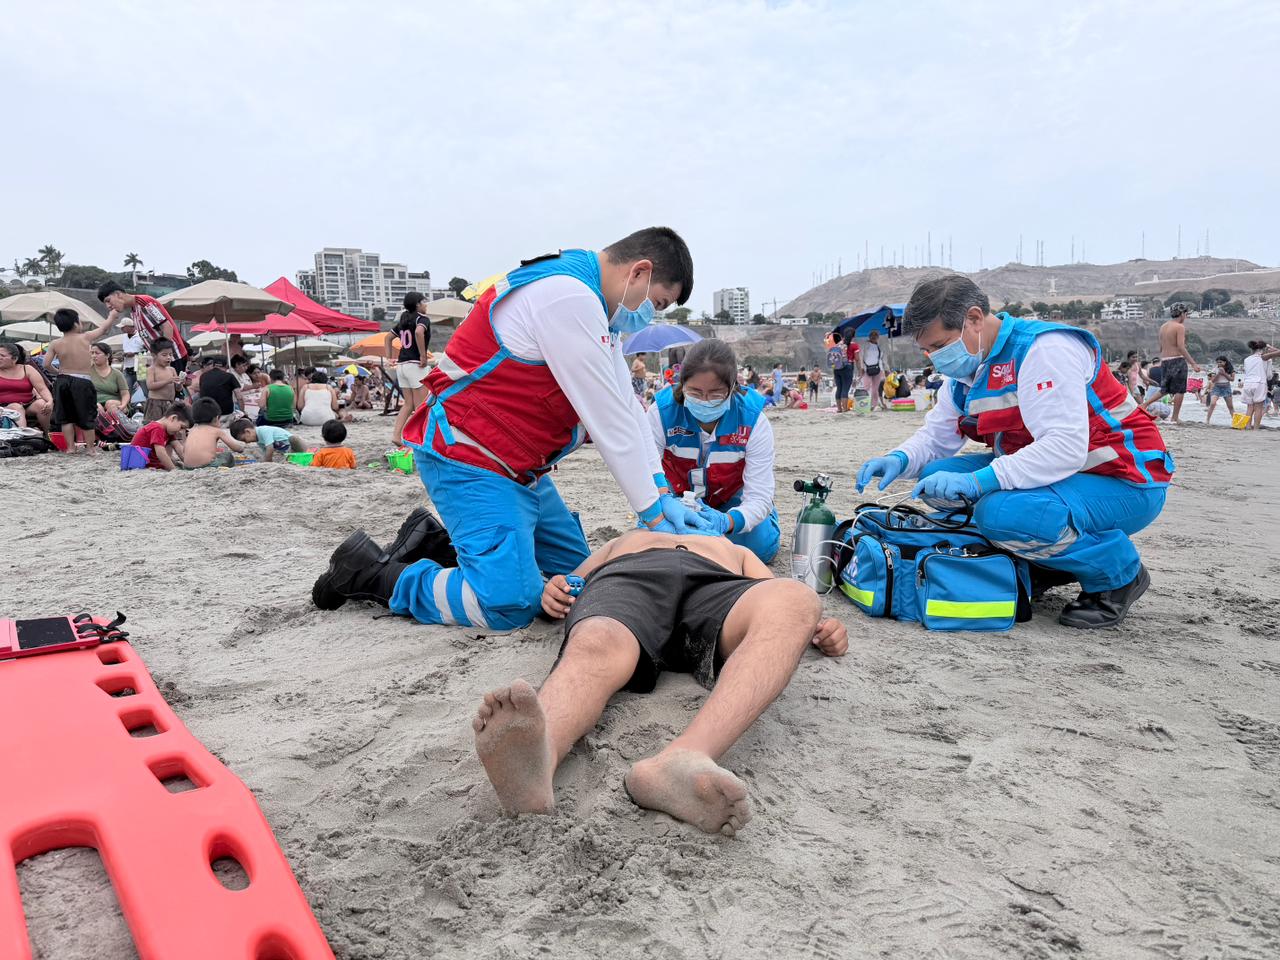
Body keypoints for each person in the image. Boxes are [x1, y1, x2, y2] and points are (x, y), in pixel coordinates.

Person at [313, 228, 714, 630]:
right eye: (656, 303)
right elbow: (609, 423)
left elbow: (628, 408)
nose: (650, 314)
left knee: (582, 579)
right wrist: (654, 520)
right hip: (469, 460)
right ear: (639, 272)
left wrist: (662, 493)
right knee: (510, 605)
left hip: (522, 473)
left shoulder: (595, 307)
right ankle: (374, 573)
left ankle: (443, 546)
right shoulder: (567, 296)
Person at [470, 528, 848, 834]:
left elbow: (771, 595)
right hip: (631, 576)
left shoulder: (730, 547)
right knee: (599, 638)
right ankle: (539, 755)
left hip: (715, 584)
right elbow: (571, 582)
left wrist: (818, 629)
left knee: (797, 598)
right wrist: (553, 594)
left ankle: (684, 759)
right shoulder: (627, 538)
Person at [855, 275, 1171, 629]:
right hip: (1062, 477)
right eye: (927, 350)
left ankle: (1118, 574)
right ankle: (1047, 560)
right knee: (934, 479)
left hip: (1122, 479)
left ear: (974, 319)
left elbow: (1064, 447)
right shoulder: (968, 373)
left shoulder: (1044, 350)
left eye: (940, 345)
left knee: (999, 512)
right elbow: (937, 437)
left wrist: (981, 482)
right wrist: (899, 460)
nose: (935, 358)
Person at [649, 339, 780, 563]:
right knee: (654, 540)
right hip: (675, 498)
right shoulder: (661, 412)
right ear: (682, 385)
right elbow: (645, 469)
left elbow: (759, 496)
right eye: (695, 392)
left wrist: (728, 521)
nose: (705, 401)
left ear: (732, 388)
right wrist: (664, 502)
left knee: (759, 547)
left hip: (730, 501)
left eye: (716, 393)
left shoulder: (753, 420)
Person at [45, 307, 120, 453]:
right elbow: (104, 329)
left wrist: (58, 372)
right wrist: (112, 316)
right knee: (87, 416)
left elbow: (46, 364)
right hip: (82, 381)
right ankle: (91, 449)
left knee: (66, 418)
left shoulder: (55, 343)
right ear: (75, 324)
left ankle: (71, 448)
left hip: (62, 380)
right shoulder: (85, 337)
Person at [97, 281, 190, 374]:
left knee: (172, 387)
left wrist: (164, 358)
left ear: (118, 294)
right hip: (160, 360)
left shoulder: (145, 302)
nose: (108, 306)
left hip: (174, 358)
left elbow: (167, 327)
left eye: (108, 301)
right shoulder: (133, 312)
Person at [387, 292, 435, 446]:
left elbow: (387, 337)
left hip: (401, 365)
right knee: (421, 406)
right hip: (415, 365)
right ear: (417, 305)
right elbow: (419, 332)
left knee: (408, 404)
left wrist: (389, 357)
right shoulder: (422, 319)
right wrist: (423, 356)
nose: (426, 305)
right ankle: (417, 439)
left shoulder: (404, 320)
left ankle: (396, 435)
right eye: (424, 302)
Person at [1145, 303, 1201, 424]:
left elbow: (1161, 347)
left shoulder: (1163, 327)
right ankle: (1175, 417)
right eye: (1186, 314)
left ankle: (1144, 405)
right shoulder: (1179, 327)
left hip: (1164, 361)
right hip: (1177, 360)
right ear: (1182, 314)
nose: (1185, 317)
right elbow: (1181, 347)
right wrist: (1193, 363)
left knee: (1164, 389)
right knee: (1180, 390)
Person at [0, 342, 53, 432]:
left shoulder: (27, 369)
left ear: (14, 359)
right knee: (16, 407)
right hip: (3, 407)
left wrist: (49, 401)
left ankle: (48, 433)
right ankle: (23, 438)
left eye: (2, 355)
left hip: (27, 404)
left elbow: (42, 389)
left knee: (42, 404)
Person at [182, 397, 245, 468]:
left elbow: (184, 450)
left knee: (217, 455)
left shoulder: (192, 431)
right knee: (227, 456)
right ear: (216, 418)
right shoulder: (217, 431)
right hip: (208, 466)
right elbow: (235, 448)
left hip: (188, 466)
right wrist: (241, 448)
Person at [128, 402, 191, 470]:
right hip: (141, 465)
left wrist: (189, 465)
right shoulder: (157, 428)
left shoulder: (169, 431)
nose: (181, 431)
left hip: (154, 464)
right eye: (181, 427)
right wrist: (174, 471)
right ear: (173, 418)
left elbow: (178, 448)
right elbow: (161, 453)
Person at [1242, 340, 1280, 429]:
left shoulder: (1246, 359)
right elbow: (1269, 376)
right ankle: (1255, 428)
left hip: (1247, 384)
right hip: (1259, 383)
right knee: (1258, 408)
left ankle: (1247, 427)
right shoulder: (1264, 357)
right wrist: (1271, 348)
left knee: (1249, 407)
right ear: (1264, 349)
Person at [195, 355, 243, 424]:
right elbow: (239, 397)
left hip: (207, 415)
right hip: (225, 415)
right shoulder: (229, 376)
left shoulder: (203, 376)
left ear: (213, 365)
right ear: (226, 366)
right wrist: (242, 412)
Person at [231, 418, 306, 461]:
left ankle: (303, 453)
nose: (246, 443)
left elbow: (270, 449)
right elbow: (265, 452)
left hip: (295, 445)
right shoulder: (259, 441)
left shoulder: (264, 431)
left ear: (248, 431)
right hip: (288, 451)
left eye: (244, 439)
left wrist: (267, 463)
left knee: (293, 439)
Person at [143, 339, 181, 424]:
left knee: (170, 425)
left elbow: (178, 389)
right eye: (164, 355)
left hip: (170, 402)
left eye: (170, 355)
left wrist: (180, 383)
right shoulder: (151, 369)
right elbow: (150, 386)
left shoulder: (172, 369)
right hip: (155, 403)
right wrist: (168, 381)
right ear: (154, 355)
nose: (168, 357)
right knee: (156, 426)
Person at [89, 342, 130, 416]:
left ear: (107, 355)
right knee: (96, 407)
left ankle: (114, 426)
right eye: (92, 353)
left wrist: (123, 405)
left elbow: (125, 394)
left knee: (110, 404)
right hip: (94, 402)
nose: (94, 356)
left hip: (114, 403)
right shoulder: (87, 372)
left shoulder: (117, 374)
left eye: (97, 353)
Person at [1203, 356, 1236, 426]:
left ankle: (1235, 422)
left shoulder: (1230, 369)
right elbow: (1213, 380)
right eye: (1217, 362)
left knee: (1230, 406)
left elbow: (1232, 379)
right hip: (1217, 387)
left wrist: (1224, 373)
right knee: (1212, 403)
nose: (1219, 364)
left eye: (1220, 362)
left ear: (1225, 362)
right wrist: (1218, 374)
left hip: (1226, 387)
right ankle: (1207, 420)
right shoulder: (1215, 369)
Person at [861, 330, 887, 411]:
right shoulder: (865, 345)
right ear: (869, 336)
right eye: (872, 335)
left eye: (876, 335)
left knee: (875, 389)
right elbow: (861, 357)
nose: (874, 336)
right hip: (866, 369)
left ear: (878, 337)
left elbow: (884, 359)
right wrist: (861, 368)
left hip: (878, 369)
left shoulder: (880, 346)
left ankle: (874, 405)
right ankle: (864, 404)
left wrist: (886, 369)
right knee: (866, 387)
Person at [826, 331, 851, 412]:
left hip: (836, 369)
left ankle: (839, 409)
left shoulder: (832, 347)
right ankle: (845, 408)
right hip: (844, 368)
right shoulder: (844, 346)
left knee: (839, 389)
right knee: (845, 389)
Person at [119, 317, 143, 393]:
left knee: (146, 390)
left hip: (141, 366)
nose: (121, 329)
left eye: (123, 327)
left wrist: (135, 354)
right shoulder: (124, 337)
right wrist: (122, 355)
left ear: (129, 327)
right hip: (128, 367)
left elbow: (148, 351)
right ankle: (127, 404)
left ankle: (148, 404)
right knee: (126, 391)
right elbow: (125, 350)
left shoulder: (141, 336)